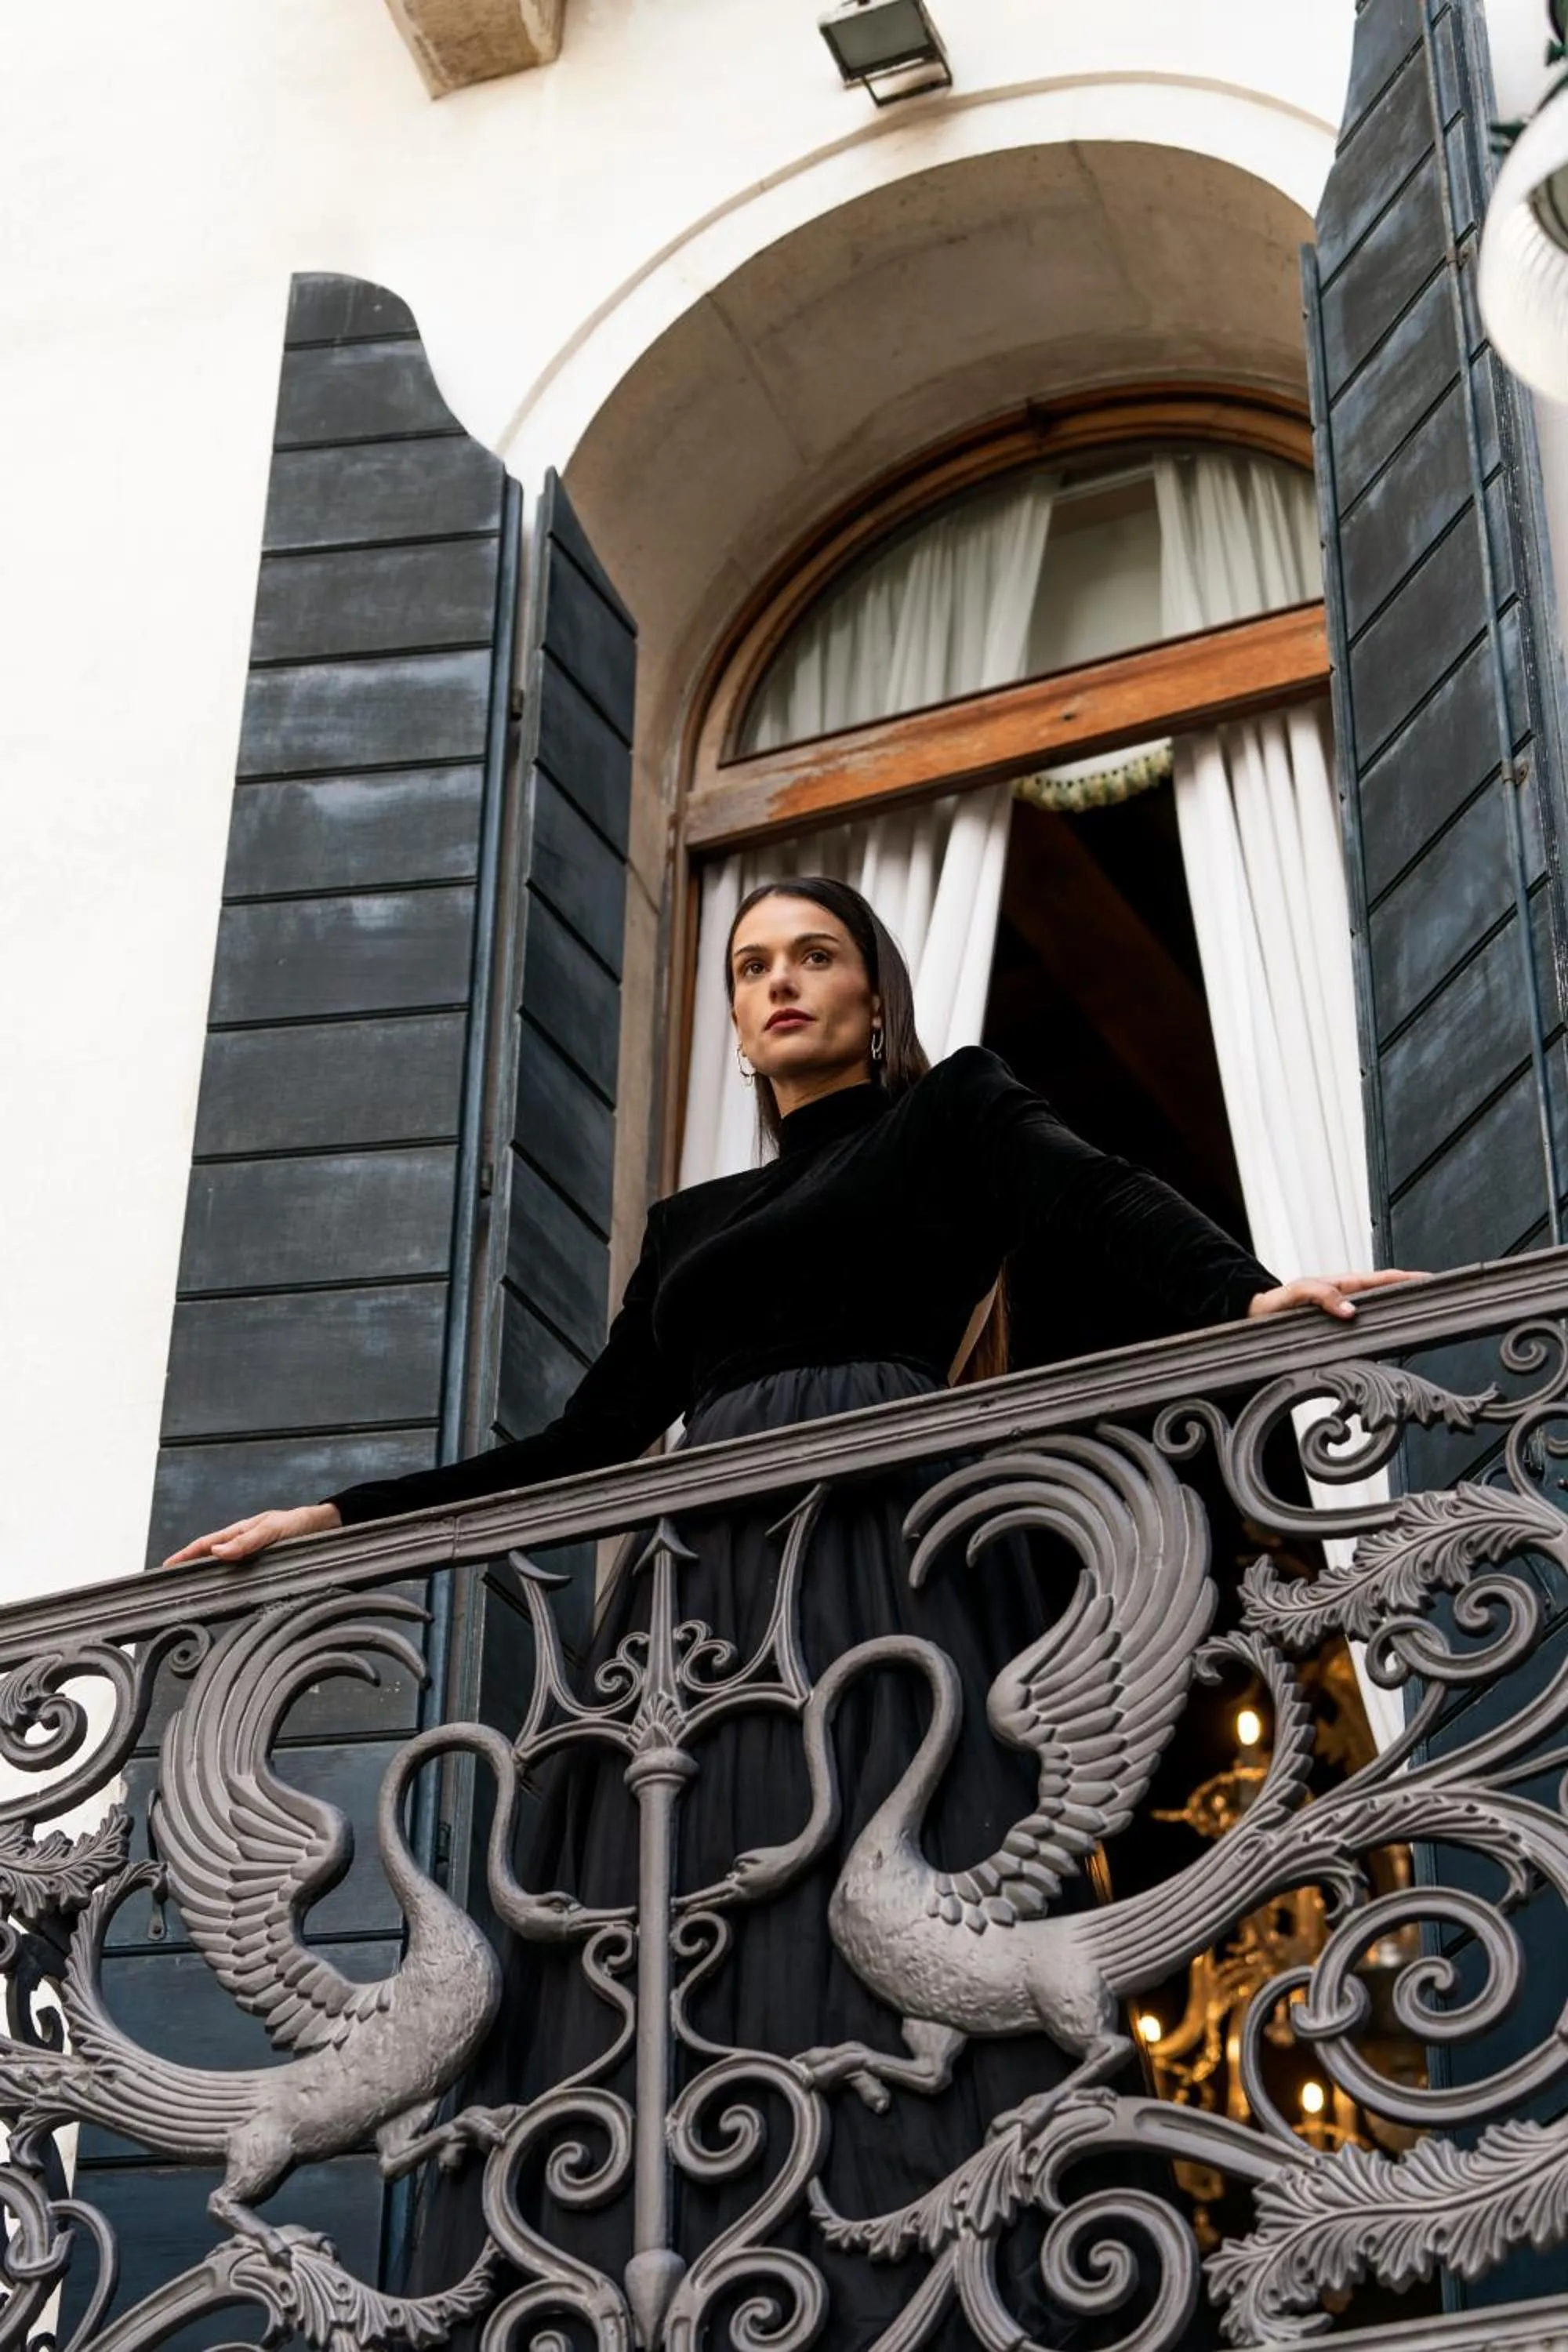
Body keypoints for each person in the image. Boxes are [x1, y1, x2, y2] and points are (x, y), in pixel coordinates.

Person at [165, 877, 1415, 2345]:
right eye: (752, 965)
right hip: (697, 1602)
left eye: (814, 956)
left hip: (883, 1555)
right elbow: (586, 1445)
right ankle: (673, 2255)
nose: (780, 985)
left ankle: (920, 2262)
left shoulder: (950, 1112)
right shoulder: (689, 1221)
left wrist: (1249, 1302)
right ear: (740, 1023)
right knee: (679, 1896)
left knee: (884, 1878)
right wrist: (335, 1517)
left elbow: (1095, 1196)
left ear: (873, 991)